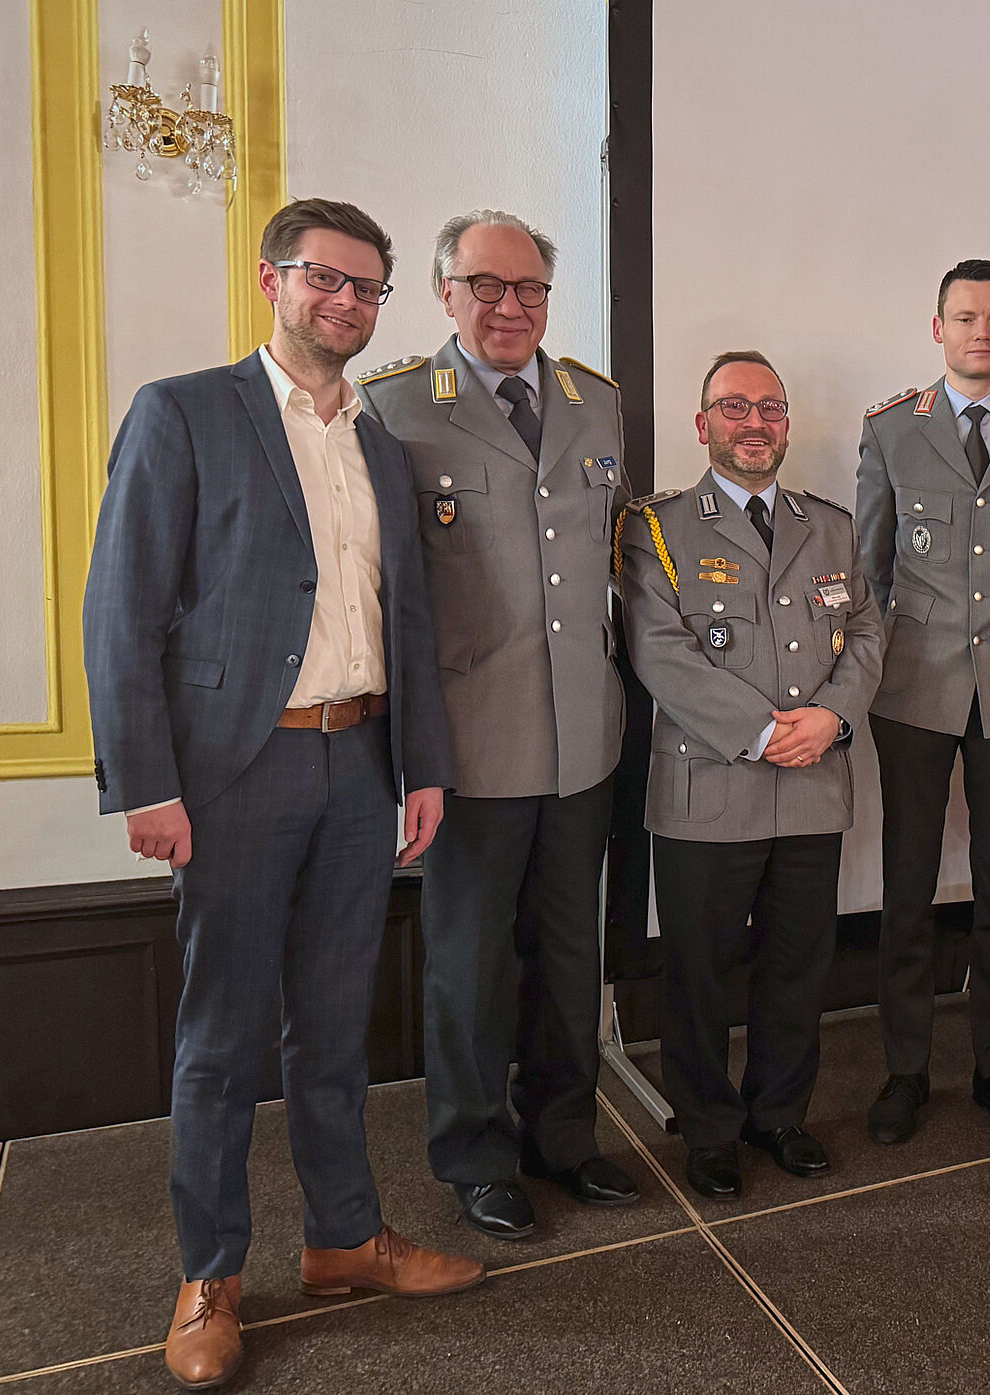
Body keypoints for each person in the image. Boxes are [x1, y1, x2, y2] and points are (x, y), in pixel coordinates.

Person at [83, 197, 482, 1391]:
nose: (347, 303)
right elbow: (125, 608)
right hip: (236, 773)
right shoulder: (186, 412)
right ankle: (210, 1274)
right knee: (220, 1038)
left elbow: (406, 621)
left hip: (361, 767)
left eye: (368, 288)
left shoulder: (384, 445)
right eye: (326, 279)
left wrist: (424, 767)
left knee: (334, 1023)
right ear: (272, 280)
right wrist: (148, 782)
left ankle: (345, 1240)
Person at [355, 210, 637, 1242]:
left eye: (529, 290)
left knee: (571, 952)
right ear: (444, 293)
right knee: (470, 962)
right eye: (487, 287)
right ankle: (475, 1150)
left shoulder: (593, 403)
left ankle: (566, 1135)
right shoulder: (392, 410)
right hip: (471, 744)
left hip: (583, 735)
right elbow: (385, 593)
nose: (511, 308)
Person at [617, 351, 884, 1200]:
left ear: (787, 423)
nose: (754, 423)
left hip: (812, 783)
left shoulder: (831, 526)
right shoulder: (655, 525)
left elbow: (869, 631)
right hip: (710, 787)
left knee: (798, 964)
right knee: (698, 971)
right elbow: (658, 649)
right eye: (735, 407)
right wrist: (766, 730)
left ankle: (779, 1114)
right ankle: (709, 1126)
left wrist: (835, 717)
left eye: (770, 407)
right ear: (703, 425)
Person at [853, 259, 990, 1149]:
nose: (980, 331)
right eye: (964, 317)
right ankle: (905, 1069)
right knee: (905, 887)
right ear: (937, 327)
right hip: (913, 687)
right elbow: (869, 575)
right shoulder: (890, 432)